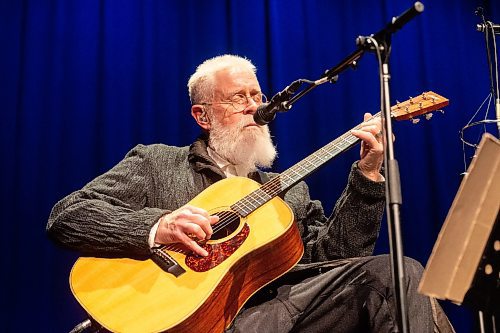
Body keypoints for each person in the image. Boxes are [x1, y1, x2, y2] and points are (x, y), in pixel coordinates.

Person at [47, 54, 453, 332]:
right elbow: (68, 216)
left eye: (258, 96)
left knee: (396, 273)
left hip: (272, 315)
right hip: (182, 317)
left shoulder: (286, 190)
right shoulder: (158, 163)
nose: (255, 107)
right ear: (202, 115)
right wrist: (158, 225)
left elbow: (335, 260)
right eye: (238, 98)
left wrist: (367, 175)